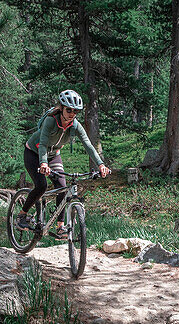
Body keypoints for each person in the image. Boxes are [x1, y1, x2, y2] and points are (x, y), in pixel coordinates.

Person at [17, 90, 110, 237]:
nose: (72, 113)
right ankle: (22, 215)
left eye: (76, 111)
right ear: (61, 108)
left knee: (62, 187)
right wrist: (43, 163)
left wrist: (100, 164)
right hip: (34, 153)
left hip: (54, 155)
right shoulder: (51, 120)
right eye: (68, 109)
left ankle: (60, 226)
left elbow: (88, 145)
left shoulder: (75, 125)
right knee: (42, 185)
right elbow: (42, 144)